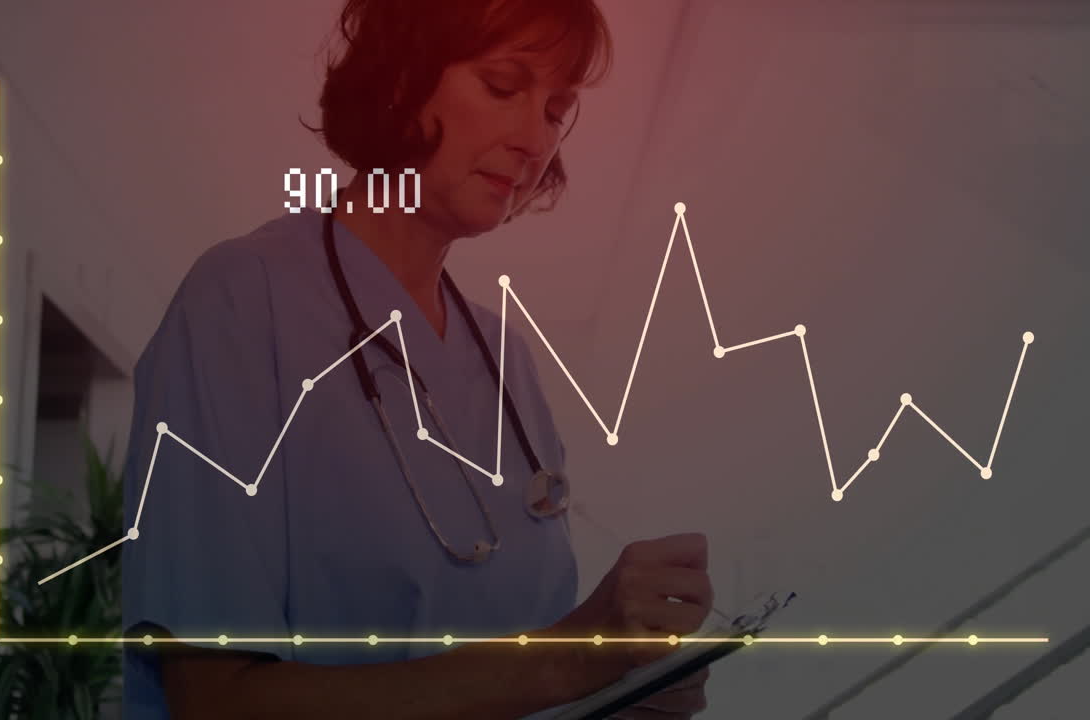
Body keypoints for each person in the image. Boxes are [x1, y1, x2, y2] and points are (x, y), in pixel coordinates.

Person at [120, 1, 715, 718]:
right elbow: (215, 701)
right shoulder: (243, 302)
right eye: (503, 87)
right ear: (402, 78)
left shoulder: (507, 362)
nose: (535, 139)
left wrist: (615, 691)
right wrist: (567, 663)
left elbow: (514, 674)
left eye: (556, 110)